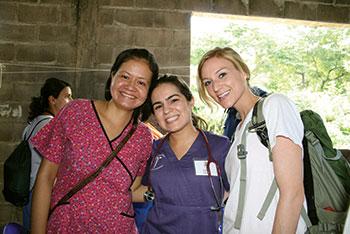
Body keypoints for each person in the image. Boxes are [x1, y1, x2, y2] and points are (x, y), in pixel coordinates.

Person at [30, 48, 159, 234]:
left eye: (141, 82)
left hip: (118, 228)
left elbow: (131, 190)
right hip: (67, 226)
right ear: (112, 75)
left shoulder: (143, 136)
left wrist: (164, 192)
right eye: (125, 77)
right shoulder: (75, 112)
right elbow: (45, 178)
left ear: (148, 91)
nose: (131, 86)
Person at [197, 47, 307, 233]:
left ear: (244, 72)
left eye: (222, 75)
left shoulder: (274, 105)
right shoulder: (238, 129)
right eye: (208, 82)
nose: (215, 87)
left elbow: (293, 193)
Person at [135, 75, 231, 234]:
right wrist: (156, 195)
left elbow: (238, 194)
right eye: (158, 106)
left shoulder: (220, 147)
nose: (166, 110)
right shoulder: (153, 150)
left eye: (173, 100)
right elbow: (138, 190)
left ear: (190, 101)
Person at [22, 77, 73, 232]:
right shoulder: (50, 124)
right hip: (42, 193)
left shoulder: (34, 123)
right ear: (53, 100)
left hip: (31, 190)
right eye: (67, 96)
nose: (71, 100)